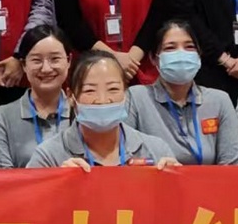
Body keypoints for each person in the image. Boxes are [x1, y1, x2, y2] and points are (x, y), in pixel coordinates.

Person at [27, 51, 178, 170]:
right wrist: (59, 183)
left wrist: (176, 180)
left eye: (113, 89)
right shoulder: (48, 157)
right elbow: (28, 199)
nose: (102, 100)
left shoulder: (156, 150)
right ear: (71, 97)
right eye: (90, 91)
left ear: (126, 93)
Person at [127, 18, 238, 165]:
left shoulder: (219, 100)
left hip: (209, 180)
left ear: (199, 55)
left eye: (189, 47)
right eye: (170, 48)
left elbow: (233, 164)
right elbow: (126, 158)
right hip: (156, 178)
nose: (180, 54)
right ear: (154, 58)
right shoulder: (136, 98)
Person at [0, 25, 73, 169]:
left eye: (54, 59)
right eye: (37, 60)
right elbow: (3, 176)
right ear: (23, 64)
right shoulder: (2, 117)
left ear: (69, 60)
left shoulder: (82, 112)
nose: (46, 68)